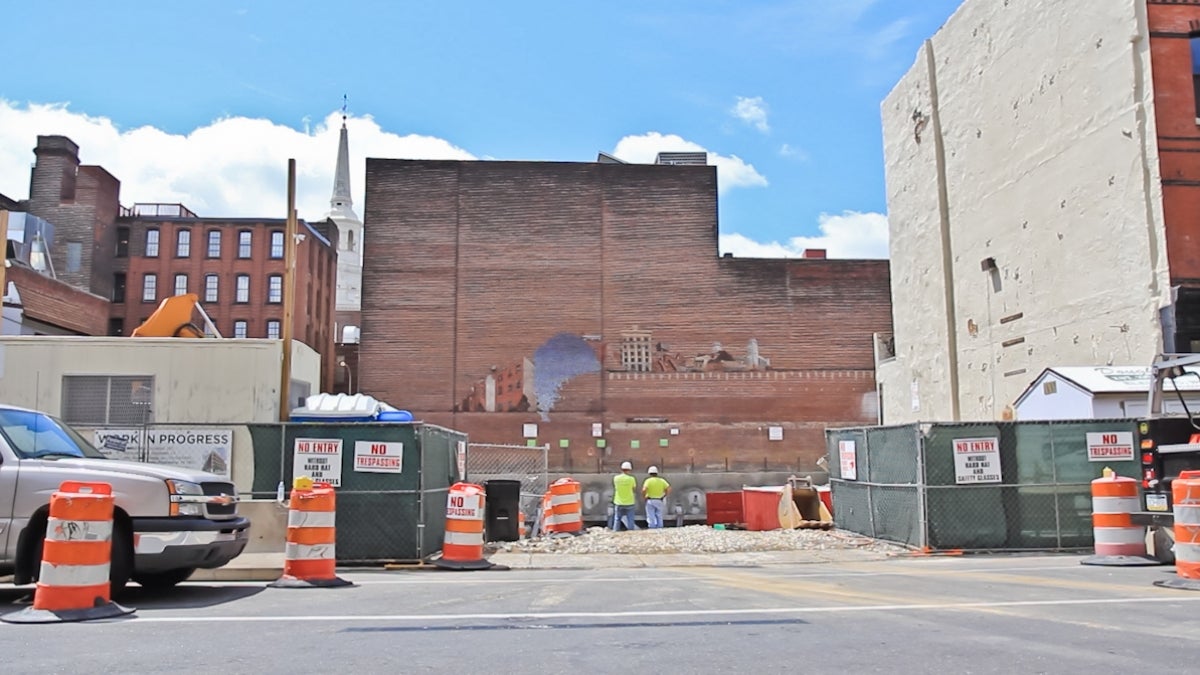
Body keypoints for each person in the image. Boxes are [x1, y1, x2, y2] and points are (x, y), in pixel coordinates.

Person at [612, 460, 638, 531]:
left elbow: (615, 486)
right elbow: (634, 488)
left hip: (618, 502)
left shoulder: (616, 478)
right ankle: (630, 532)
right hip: (629, 502)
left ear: (621, 469)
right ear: (630, 469)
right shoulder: (632, 479)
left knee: (617, 518)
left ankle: (615, 531)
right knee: (630, 519)